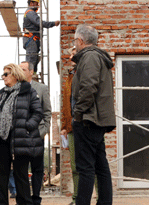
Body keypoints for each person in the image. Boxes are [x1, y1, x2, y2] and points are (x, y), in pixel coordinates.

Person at [71, 24, 116, 205]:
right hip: (96, 120)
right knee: (100, 166)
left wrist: (78, 113)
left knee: (86, 168)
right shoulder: (97, 57)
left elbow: (88, 87)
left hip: (88, 120)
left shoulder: (89, 57)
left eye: (75, 41)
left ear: (81, 40)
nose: (74, 44)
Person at [0, 63, 43, 205]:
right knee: (2, 177)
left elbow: (38, 113)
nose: (3, 77)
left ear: (15, 75)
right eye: (3, 74)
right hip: (2, 139)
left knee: (21, 176)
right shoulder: (3, 94)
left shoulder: (28, 91)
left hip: (20, 139)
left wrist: (27, 126)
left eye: (6, 74)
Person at [20, 61, 51, 205]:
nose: (21, 71)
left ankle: (36, 197)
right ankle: (25, 198)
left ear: (31, 72)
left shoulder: (42, 89)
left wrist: (43, 132)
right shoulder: (15, 88)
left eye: (24, 69)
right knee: (21, 169)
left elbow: (47, 112)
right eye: (19, 69)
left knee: (37, 168)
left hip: (37, 135)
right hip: (20, 136)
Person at [60, 47, 78, 205]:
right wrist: (65, 126)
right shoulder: (70, 75)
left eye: (73, 52)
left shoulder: (85, 72)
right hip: (72, 126)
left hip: (85, 125)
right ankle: (76, 198)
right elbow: (67, 103)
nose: (70, 55)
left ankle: (101, 198)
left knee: (93, 166)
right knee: (74, 166)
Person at [23, 0, 60, 73]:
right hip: (31, 39)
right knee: (32, 61)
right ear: (31, 3)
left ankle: (33, 77)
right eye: (36, 4)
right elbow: (40, 23)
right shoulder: (30, 13)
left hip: (32, 39)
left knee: (35, 60)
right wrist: (53, 23)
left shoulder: (30, 13)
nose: (38, 6)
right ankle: (30, 78)